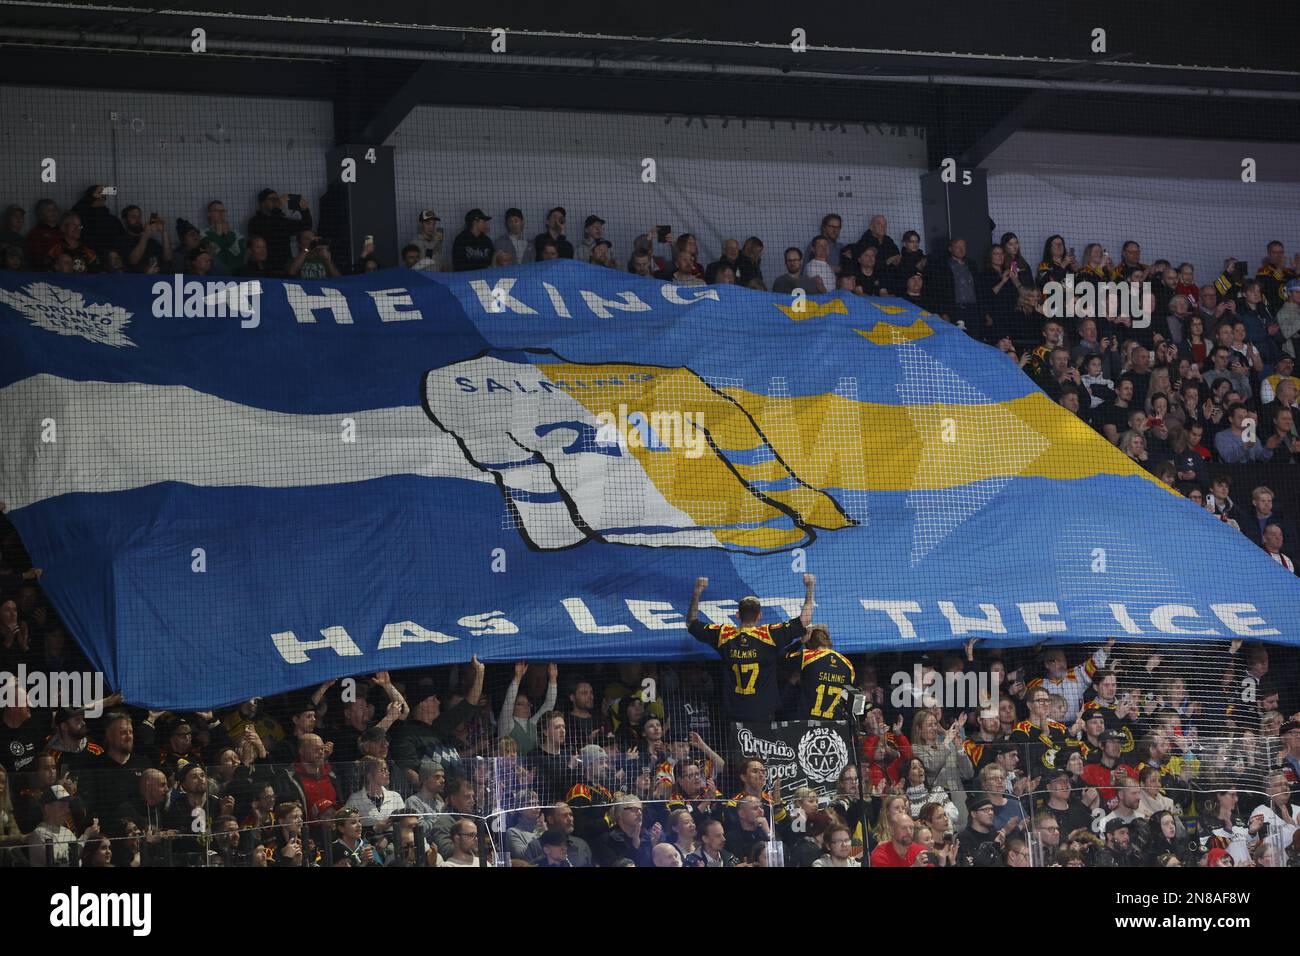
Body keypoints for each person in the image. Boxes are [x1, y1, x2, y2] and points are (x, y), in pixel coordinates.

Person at [687, 574, 814, 723]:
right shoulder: (769, 635)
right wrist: (810, 587)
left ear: (737, 615)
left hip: (734, 714)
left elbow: (691, 622)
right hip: (763, 713)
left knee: (736, 747)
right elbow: (805, 620)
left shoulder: (724, 635)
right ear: (759, 615)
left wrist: (697, 592)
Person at [785, 624, 855, 720]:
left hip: (808, 726)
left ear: (809, 642)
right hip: (835, 728)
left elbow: (781, 656)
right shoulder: (848, 664)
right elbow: (855, 698)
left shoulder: (807, 656)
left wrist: (801, 641)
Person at [498, 661, 559, 756]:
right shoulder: (507, 724)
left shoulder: (533, 723)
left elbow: (549, 705)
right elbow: (508, 701)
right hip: (511, 768)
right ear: (512, 708)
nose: (526, 707)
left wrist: (553, 679)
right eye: (520, 704)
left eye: (527, 704)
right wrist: (517, 678)